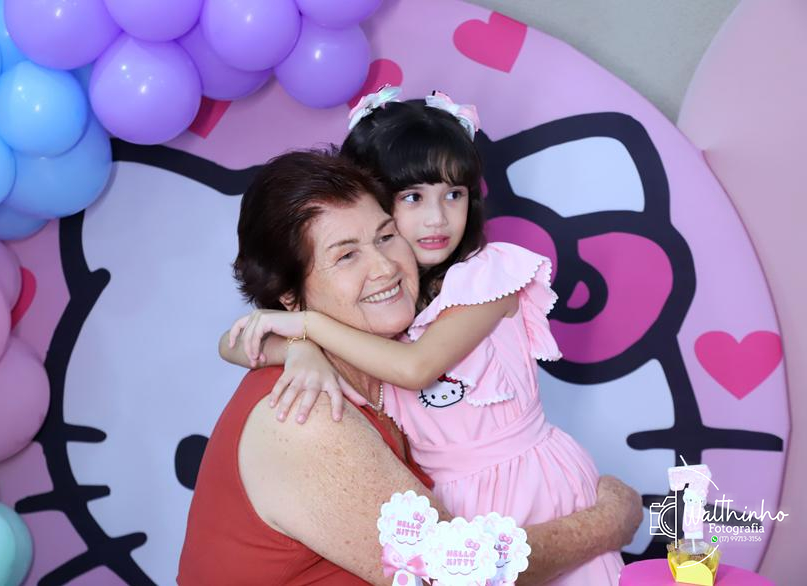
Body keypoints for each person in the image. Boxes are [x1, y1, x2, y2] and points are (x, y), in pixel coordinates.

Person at [178, 148, 642, 585]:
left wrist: (301, 343)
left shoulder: (397, 352)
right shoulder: (305, 411)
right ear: (289, 296)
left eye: (386, 236)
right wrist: (606, 524)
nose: (385, 267)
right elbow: (456, 573)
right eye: (346, 255)